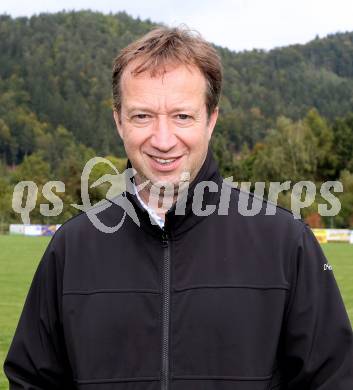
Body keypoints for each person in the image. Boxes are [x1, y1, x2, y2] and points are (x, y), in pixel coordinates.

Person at [4, 26, 353, 390]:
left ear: (211, 120)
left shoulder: (286, 243)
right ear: (118, 121)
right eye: (142, 116)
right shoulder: (71, 248)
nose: (163, 139)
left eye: (182, 116)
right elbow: (32, 381)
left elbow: (333, 380)